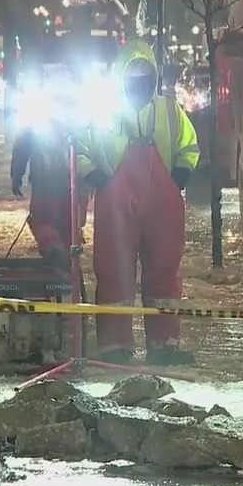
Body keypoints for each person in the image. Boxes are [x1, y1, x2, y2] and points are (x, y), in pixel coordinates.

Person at [74, 39, 200, 365]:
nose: (140, 82)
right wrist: (98, 179)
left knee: (164, 272)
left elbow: (189, 146)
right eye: (134, 75)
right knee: (114, 271)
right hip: (116, 202)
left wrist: (180, 177)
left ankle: (165, 344)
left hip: (163, 204)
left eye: (146, 75)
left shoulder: (170, 111)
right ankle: (116, 347)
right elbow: (80, 148)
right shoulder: (104, 112)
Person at [10, 115, 88, 265]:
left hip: (59, 182)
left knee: (59, 223)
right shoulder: (39, 121)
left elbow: (22, 145)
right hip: (53, 182)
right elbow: (23, 144)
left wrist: (17, 175)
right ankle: (59, 259)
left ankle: (61, 260)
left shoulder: (39, 120)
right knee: (56, 223)